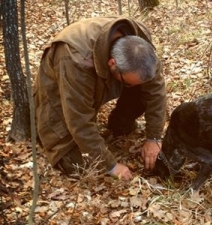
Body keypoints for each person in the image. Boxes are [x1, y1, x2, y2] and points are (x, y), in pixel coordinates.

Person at [33, 16, 166, 181]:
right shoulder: (75, 59)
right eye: (128, 83)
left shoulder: (141, 44)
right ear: (112, 63)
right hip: (61, 87)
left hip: (106, 71)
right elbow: (79, 120)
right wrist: (110, 166)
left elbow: (156, 91)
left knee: (142, 90)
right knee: (79, 165)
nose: (131, 87)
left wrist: (154, 137)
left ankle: (120, 124)